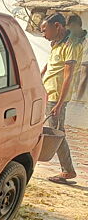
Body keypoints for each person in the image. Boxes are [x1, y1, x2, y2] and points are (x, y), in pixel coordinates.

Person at [40, 13, 81, 184]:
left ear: (57, 26)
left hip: (57, 97)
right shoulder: (56, 44)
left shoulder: (70, 45)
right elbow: (49, 66)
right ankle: (66, 169)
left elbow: (68, 76)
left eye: (45, 30)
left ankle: (68, 171)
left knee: (57, 133)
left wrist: (59, 103)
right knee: (55, 130)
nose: (43, 34)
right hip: (48, 93)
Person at [68, 15, 88, 102]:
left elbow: (84, 75)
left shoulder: (86, 43)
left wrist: (77, 100)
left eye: (72, 27)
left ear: (77, 25)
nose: (70, 30)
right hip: (66, 95)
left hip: (77, 97)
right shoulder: (70, 41)